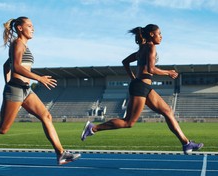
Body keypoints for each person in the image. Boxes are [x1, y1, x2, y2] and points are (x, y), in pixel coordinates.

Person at [0, 16, 80, 165]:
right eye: (30, 26)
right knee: (2, 128)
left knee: (46, 116)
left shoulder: (23, 46)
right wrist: (37, 79)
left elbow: (6, 66)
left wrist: (10, 82)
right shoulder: (18, 43)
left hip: (25, 90)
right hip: (16, 90)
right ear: (20, 28)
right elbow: (16, 67)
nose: (33, 29)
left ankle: (60, 154)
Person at [81, 24, 203, 154]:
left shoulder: (142, 48)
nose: (161, 37)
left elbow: (125, 62)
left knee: (168, 111)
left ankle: (186, 144)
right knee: (128, 122)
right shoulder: (151, 47)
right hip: (140, 87)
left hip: (144, 86)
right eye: (159, 34)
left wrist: (133, 77)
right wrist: (168, 72)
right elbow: (150, 69)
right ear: (151, 34)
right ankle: (93, 128)